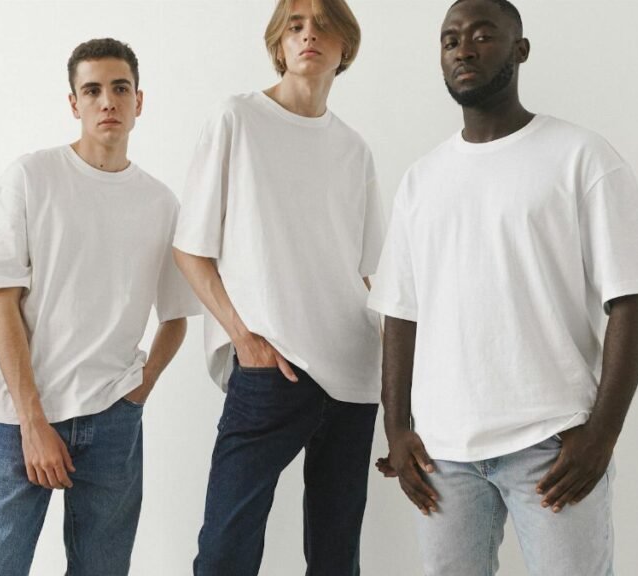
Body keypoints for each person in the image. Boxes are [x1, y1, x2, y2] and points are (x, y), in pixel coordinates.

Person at [369, 0, 638, 573]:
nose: (464, 48)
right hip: (444, 455)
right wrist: (398, 429)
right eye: (450, 39)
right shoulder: (422, 180)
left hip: (553, 445)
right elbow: (400, 312)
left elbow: (632, 296)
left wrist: (603, 433)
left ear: (520, 49)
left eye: (484, 35)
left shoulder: (581, 157)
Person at [0, 38, 200, 576]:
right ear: (74, 103)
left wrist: (137, 392)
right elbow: (0, 303)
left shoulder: (161, 203)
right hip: (17, 418)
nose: (107, 101)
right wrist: (32, 421)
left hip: (112, 419)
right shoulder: (30, 177)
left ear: (139, 101)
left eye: (120, 89)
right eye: (92, 90)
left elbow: (176, 316)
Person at [172, 0, 385, 573]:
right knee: (225, 551)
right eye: (295, 26)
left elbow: (366, 274)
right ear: (278, 45)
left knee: (337, 553)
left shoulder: (354, 149)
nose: (308, 35)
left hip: (354, 373)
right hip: (271, 367)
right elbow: (190, 248)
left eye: (322, 25)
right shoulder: (236, 119)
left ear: (346, 46)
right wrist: (243, 338)